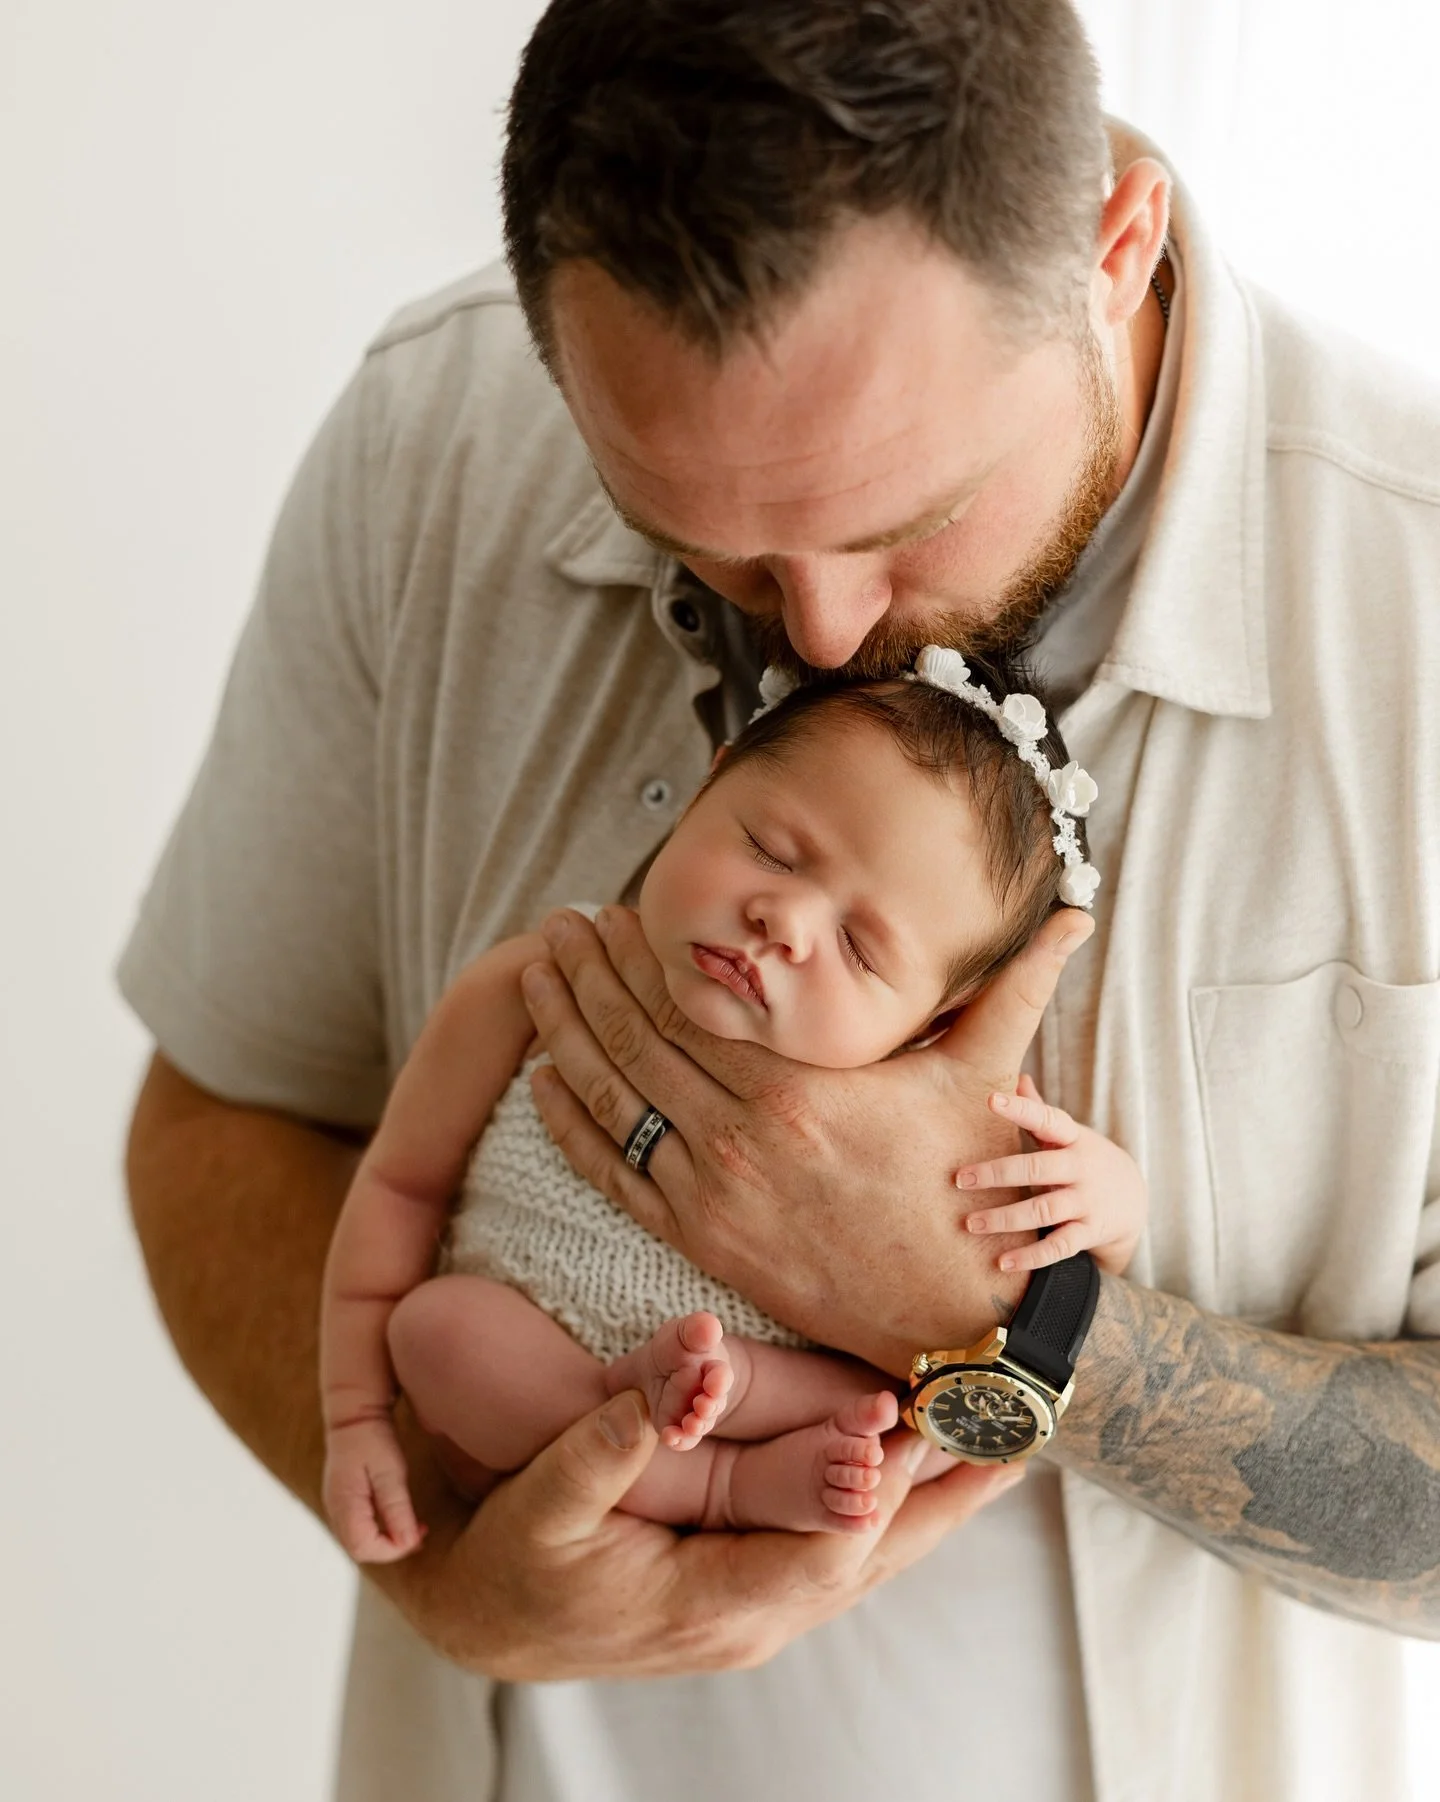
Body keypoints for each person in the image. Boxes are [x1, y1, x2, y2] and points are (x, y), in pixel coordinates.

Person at [118, 3, 1440, 1800]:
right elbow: (228, 1112)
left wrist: (1015, 1328)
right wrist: (442, 1549)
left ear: (1114, 249)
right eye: (709, 539)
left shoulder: (1415, 599)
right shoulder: (437, 436)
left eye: (914, 515)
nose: (817, 635)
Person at [319, 654, 1146, 1557]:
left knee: (901, 1412)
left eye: (861, 950)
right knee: (437, 1333)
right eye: (770, 850)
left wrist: (1109, 1196)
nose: (784, 921)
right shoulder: (539, 987)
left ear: (937, 1018)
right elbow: (400, 1186)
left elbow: (1048, 1262)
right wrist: (355, 1419)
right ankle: (712, 1486)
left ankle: (727, 1464)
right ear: (707, 785)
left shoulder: (916, 1108)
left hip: (763, 1408)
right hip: (517, 1386)